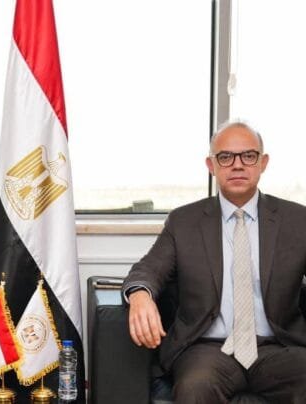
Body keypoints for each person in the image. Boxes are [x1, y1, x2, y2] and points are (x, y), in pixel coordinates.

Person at [124, 120, 306, 403]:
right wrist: (139, 295)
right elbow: (148, 269)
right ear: (211, 165)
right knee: (196, 387)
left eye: (248, 156)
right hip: (207, 349)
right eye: (226, 157)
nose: (237, 165)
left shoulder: (297, 220)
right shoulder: (184, 221)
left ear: (263, 163)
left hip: (279, 347)